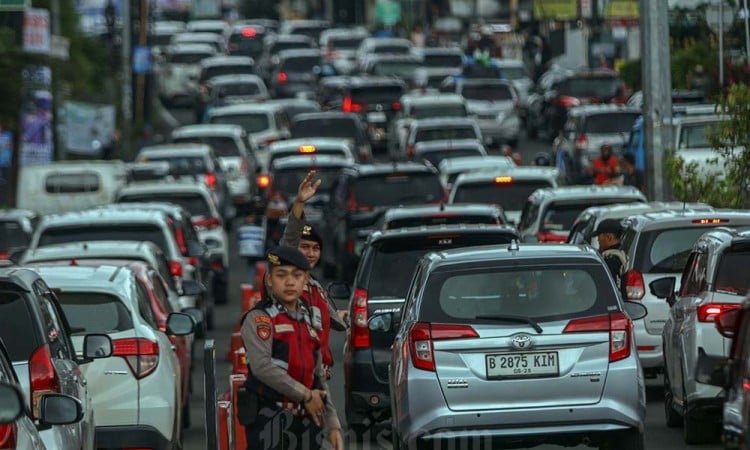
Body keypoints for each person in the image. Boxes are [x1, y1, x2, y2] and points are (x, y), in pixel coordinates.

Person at [239, 246, 344, 450]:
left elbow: (319, 377)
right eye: (281, 275)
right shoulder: (259, 318)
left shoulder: (309, 319)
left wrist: (333, 425)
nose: (289, 282)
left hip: (307, 418)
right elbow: (262, 367)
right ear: (269, 279)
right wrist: (305, 395)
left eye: (297, 275)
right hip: (269, 419)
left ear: (305, 280)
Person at [280, 170, 348, 380]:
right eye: (305, 247)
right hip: (293, 378)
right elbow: (289, 240)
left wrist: (344, 317)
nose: (310, 253)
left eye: (315, 248)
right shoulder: (286, 282)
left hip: (318, 378)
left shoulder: (315, 286)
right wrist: (299, 203)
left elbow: (330, 319)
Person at [594, 219, 627, 289]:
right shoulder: (623, 254)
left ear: (609, 237)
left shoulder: (610, 261)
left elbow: (606, 288)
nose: (598, 240)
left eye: (599, 236)